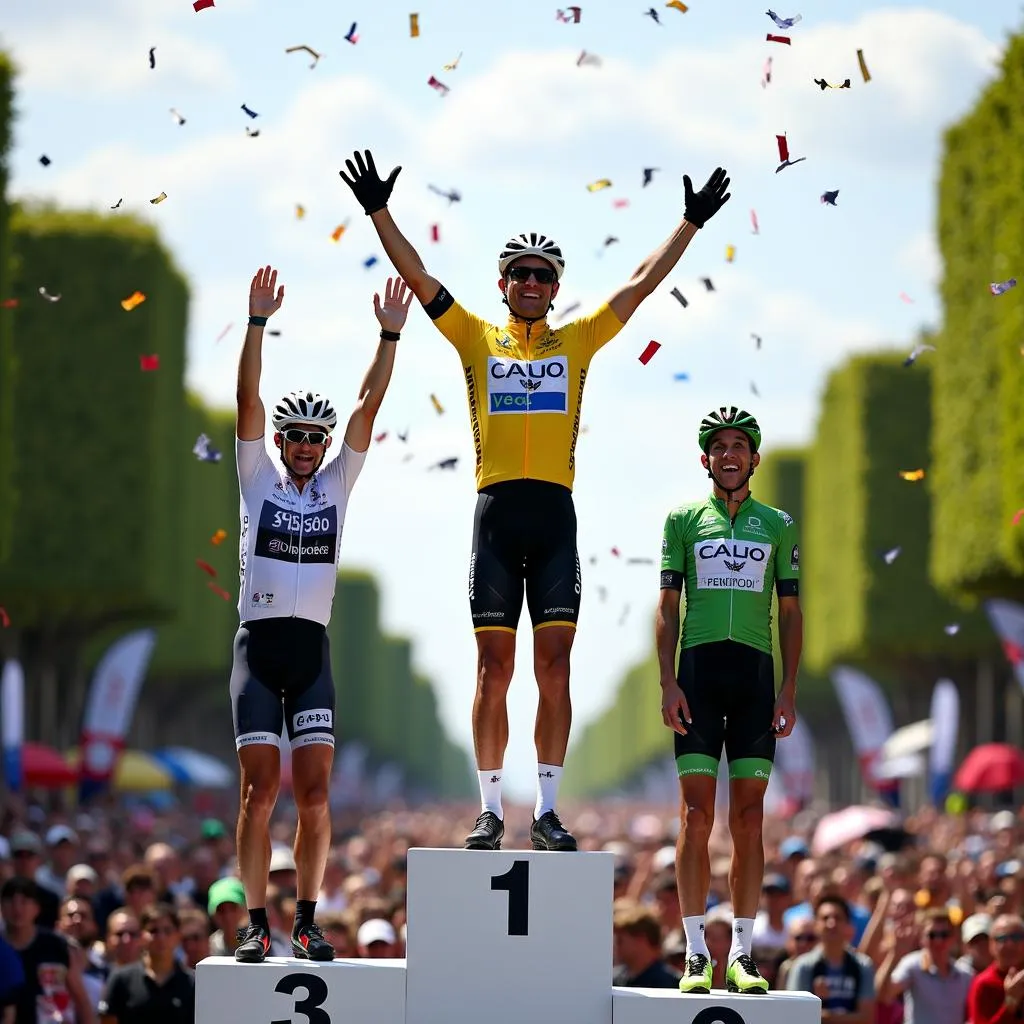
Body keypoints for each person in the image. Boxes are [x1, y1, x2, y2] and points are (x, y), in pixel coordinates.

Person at [340, 148, 731, 853]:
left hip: (554, 517)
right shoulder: (474, 337)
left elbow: (640, 286)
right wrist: (378, 212)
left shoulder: (578, 339)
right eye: (518, 273)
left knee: (555, 667)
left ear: (555, 288)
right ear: (501, 284)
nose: (529, 281)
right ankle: (489, 809)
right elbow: (418, 277)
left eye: (541, 275)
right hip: (494, 515)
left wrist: (689, 222)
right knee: (495, 671)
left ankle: (547, 810)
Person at [231, 266, 410, 962]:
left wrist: (388, 335)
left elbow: (368, 405)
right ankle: (254, 922)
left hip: (312, 655)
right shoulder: (255, 478)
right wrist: (255, 322)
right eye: (296, 435)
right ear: (280, 442)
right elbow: (247, 395)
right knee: (258, 791)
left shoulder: (338, 483)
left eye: (315, 437)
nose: (306, 445)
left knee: (313, 796)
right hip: (258, 647)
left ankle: (304, 920)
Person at [656, 406, 802, 994]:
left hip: (755, 678)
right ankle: (695, 954)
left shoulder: (779, 524)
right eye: (721, 447)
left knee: (749, 818)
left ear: (755, 458)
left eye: (740, 445)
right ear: (706, 460)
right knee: (696, 816)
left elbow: (790, 611)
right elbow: (667, 606)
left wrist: (790, 685)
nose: (731, 454)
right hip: (697, 673)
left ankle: (742, 953)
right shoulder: (683, 520)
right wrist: (667, 681)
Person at [1, 877, 94, 1024]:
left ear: (36, 908)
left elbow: (81, 1001)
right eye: (10, 901)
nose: (17, 908)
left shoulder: (57, 946)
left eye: (24, 901)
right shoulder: (2, 948)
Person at [98, 904, 194, 1024]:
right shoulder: (121, 979)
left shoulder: (193, 983)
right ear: (142, 936)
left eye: (167, 930)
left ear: (178, 936)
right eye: (153, 931)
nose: (161, 937)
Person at [875, 907, 973, 1024]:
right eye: (932, 935)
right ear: (922, 938)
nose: (938, 941)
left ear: (953, 938)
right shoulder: (913, 965)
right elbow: (882, 996)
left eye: (944, 934)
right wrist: (894, 955)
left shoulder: (965, 975)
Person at [786, 896, 875, 1023]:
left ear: (848, 925)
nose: (831, 923)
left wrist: (820, 1012)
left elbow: (867, 1019)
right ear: (816, 925)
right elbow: (795, 1016)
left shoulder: (863, 965)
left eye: (838, 918)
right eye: (825, 918)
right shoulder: (803, 966)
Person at [967, 913, 1024, 1024]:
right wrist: (1011, 1002)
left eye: (1016, 937)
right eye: (1002, 938)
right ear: (991, 945)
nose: (1010, 945)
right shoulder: (984, 984)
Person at [612, 901, 681, 988]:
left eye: (620, 940)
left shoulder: (671, 983)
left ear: (641, 939)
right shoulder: (614, 980)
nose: (615, 946)